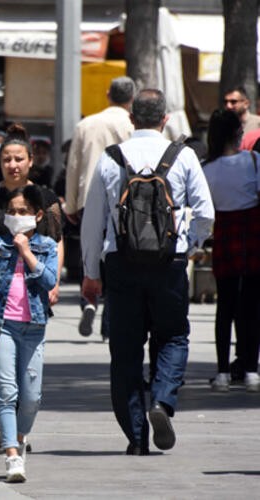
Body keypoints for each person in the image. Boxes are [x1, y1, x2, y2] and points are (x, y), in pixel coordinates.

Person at [81, 89, 214, 454]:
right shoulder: (183, 156)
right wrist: (191, 246)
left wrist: (91, 272)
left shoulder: (111, 159)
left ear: (131, 118)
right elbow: (206, 213)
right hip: (169, 263)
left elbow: (92, 222)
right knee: (172, 337)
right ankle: (161, 400)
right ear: (165, 119)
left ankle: (136, 437)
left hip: (121, 263)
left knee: (125, 351)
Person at [0, 123, 63, 456]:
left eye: (19, 158)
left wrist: (54, 281)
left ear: (31, 161)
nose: (13, 165)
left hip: (33, 291)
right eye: (7, 158)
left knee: (27, 374)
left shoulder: (45, 200)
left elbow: (56, 243)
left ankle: (18, 429)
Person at [0, 184, 58, 483]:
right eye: (11, 212)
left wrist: (26, 252)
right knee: (7, 392)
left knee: (32, 396)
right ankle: (12, 455)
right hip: (4, 327)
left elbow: (49, 281)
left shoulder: (47, 246)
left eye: (22, 212)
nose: (16, 217)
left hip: (34, 328)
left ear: (37, 215)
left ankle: (20, 437)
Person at [65, 76, 135, 339]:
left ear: (108, 94)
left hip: (87, 197)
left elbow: (73, 166)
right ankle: (109, 326)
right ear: (131, 98)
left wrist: (71, 204)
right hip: (121, 200)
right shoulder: (131, 125)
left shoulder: (86, 124)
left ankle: (90, 302)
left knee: (90, 255)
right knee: (115, 261)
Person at [201, 109, 260, 392]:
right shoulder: (254, 161)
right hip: (252, 237)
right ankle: (251, 369)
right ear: (238, 133)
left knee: (224, 306)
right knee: (252, 305)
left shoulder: (206, 169)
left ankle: (223, 371)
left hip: (224, 236)